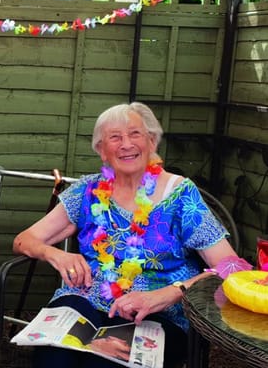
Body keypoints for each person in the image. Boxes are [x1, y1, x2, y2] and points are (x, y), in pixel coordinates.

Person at [12, 102, 245, 368]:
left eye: (135, 134)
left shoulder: (180, 195)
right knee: (53, 359)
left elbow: (232, 268)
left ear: (152, 142)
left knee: (105, 365)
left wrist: (172, 292)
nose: (126, 144)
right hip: (86, 298)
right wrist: (53, 253)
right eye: (115, 137)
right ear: (102, 150)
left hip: (156, 312)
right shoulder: (88, 190)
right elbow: (23, 240)